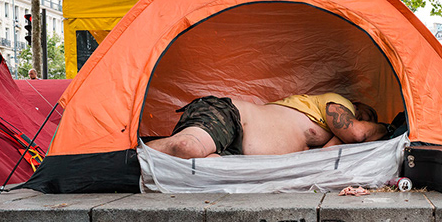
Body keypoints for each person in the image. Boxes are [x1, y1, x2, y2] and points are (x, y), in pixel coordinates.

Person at [144, 93, 389, 159]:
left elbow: (334, 150)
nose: (362, 122)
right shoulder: (336, 102)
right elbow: (356, 132)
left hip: (233, 150)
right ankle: (120, 153)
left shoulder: (329, 144)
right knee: (187, 148)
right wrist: (383, 127)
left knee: (200, 161)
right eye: (365, 116)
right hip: (233, 117)